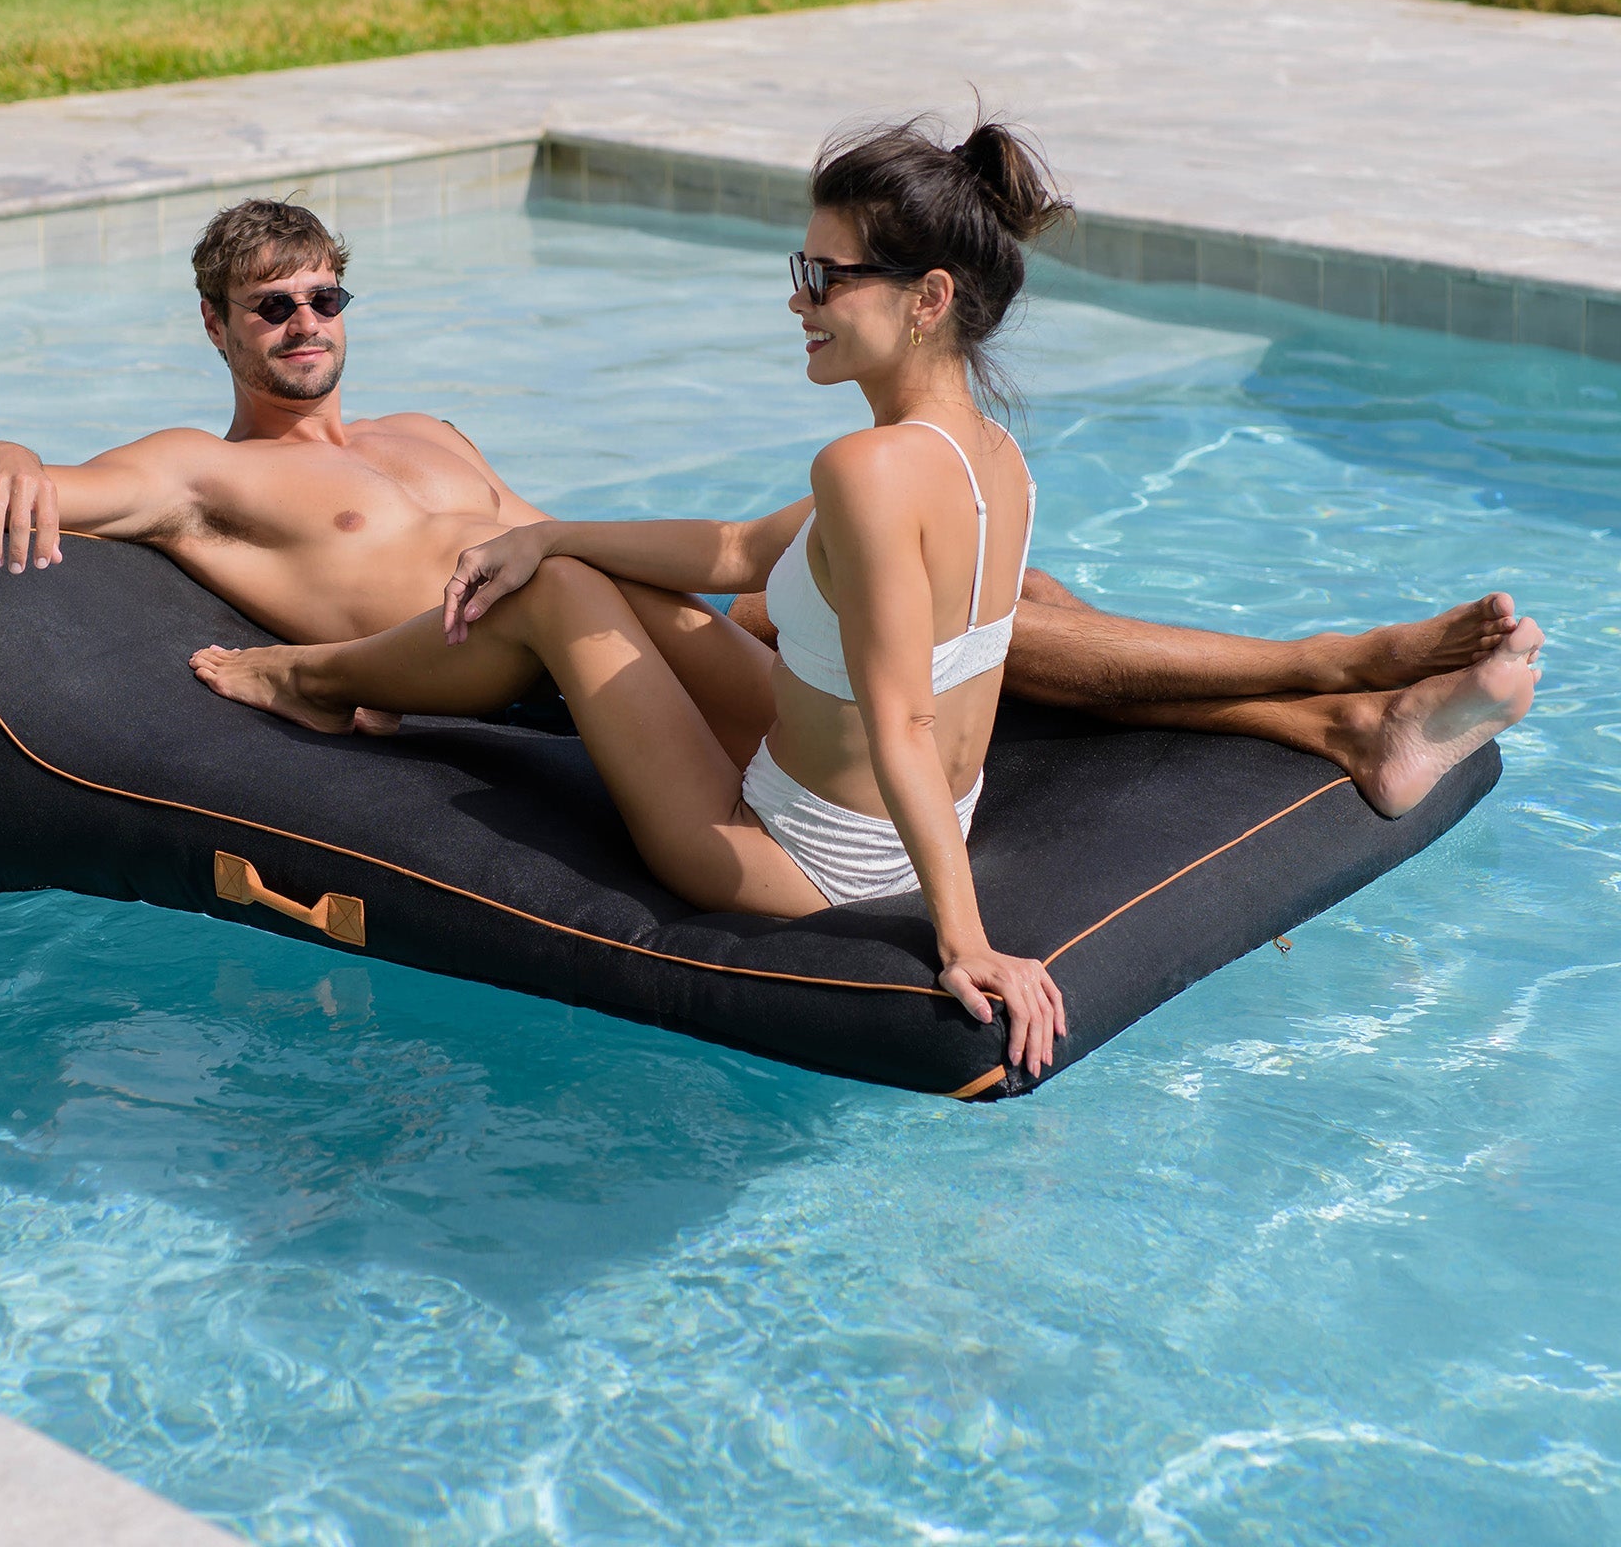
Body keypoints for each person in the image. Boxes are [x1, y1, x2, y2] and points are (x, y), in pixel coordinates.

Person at [182, 128, 1543, 1082]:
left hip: (796, 867)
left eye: (827, 279)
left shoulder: (863, 465)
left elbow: (897, 717)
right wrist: (545, 531)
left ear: (928, 296)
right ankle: (1343, 679)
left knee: (566, 600)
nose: (801, 301)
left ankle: (306, 681)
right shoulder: (985, 456)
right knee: (582, 568)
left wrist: (965, 945)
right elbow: (733, 549)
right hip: (868, 809)